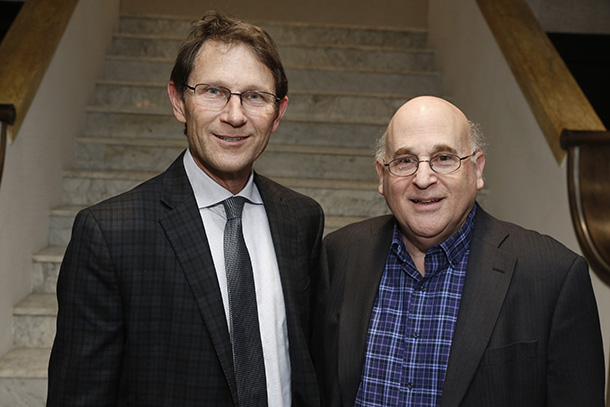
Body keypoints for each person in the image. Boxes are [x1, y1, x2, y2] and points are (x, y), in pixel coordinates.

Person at [47, 11, 323, 406]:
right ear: (179, 102)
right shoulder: (110, 234)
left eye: (255, 96)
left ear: (277, 114)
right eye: (213, 91)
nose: (234, 115)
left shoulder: (301, 219)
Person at [311, 96, 605, 407]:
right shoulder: (339, 254)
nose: (423, 179)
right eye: (405, 161)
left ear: (477, 169)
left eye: (444, 158)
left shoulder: (552, 275)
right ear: (382, 177)